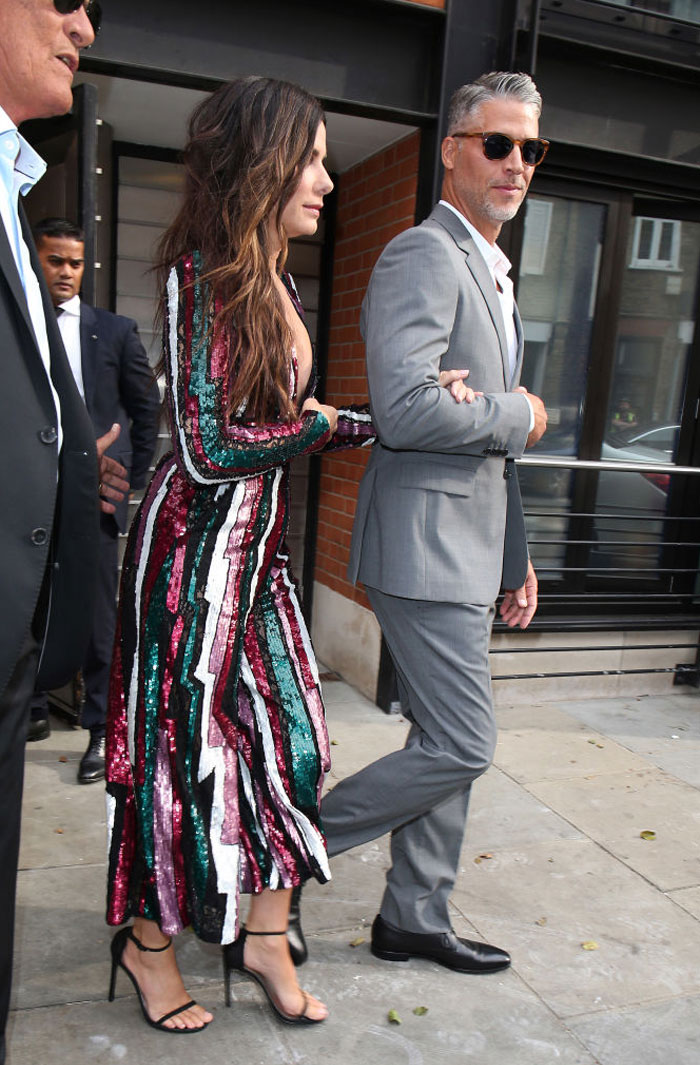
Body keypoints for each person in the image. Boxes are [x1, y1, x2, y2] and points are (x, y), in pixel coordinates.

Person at [103, 76, 381, 1033]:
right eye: (309, 158)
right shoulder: (202, 275)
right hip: (187, 560)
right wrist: (326, 426)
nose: (327, 181)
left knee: (297, 743)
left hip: (254, 560)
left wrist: (365, 423)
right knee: (177, 759)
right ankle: (146, 944)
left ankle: (266, 933)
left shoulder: (282, 284)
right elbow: (210, 446)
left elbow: (284, 423)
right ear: (260, 162)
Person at [292, 71, 549, 974]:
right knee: (465, 740)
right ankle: (287, 849)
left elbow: (487, 447)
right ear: (453, 149)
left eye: (530, 148)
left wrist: (515, 554)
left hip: (471, 548)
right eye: (497, 143)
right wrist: (517, 411)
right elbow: (405, 411)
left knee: (442, 739)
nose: (516, 163)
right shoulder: (422, 253)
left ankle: (413, 914)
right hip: (424, 547)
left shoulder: (490, 267)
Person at [0, 3, 128, 1063]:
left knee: (95, 633)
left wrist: (97, 454)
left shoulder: (13, 177)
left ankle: (83, 716)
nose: (84, 20)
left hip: (69, 533)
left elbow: (105, 402)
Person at [28, 217, 160, 783]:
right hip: (29, 493)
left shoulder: (116, 330)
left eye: (74, 262)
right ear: (36, 258)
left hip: (95, 494)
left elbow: (146, 408)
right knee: (27, 604)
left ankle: (102, 728)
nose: (65, 272)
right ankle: (30, 711)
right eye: (55, 259)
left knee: (100, 616)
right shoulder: (20, 325)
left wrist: (129, 476)